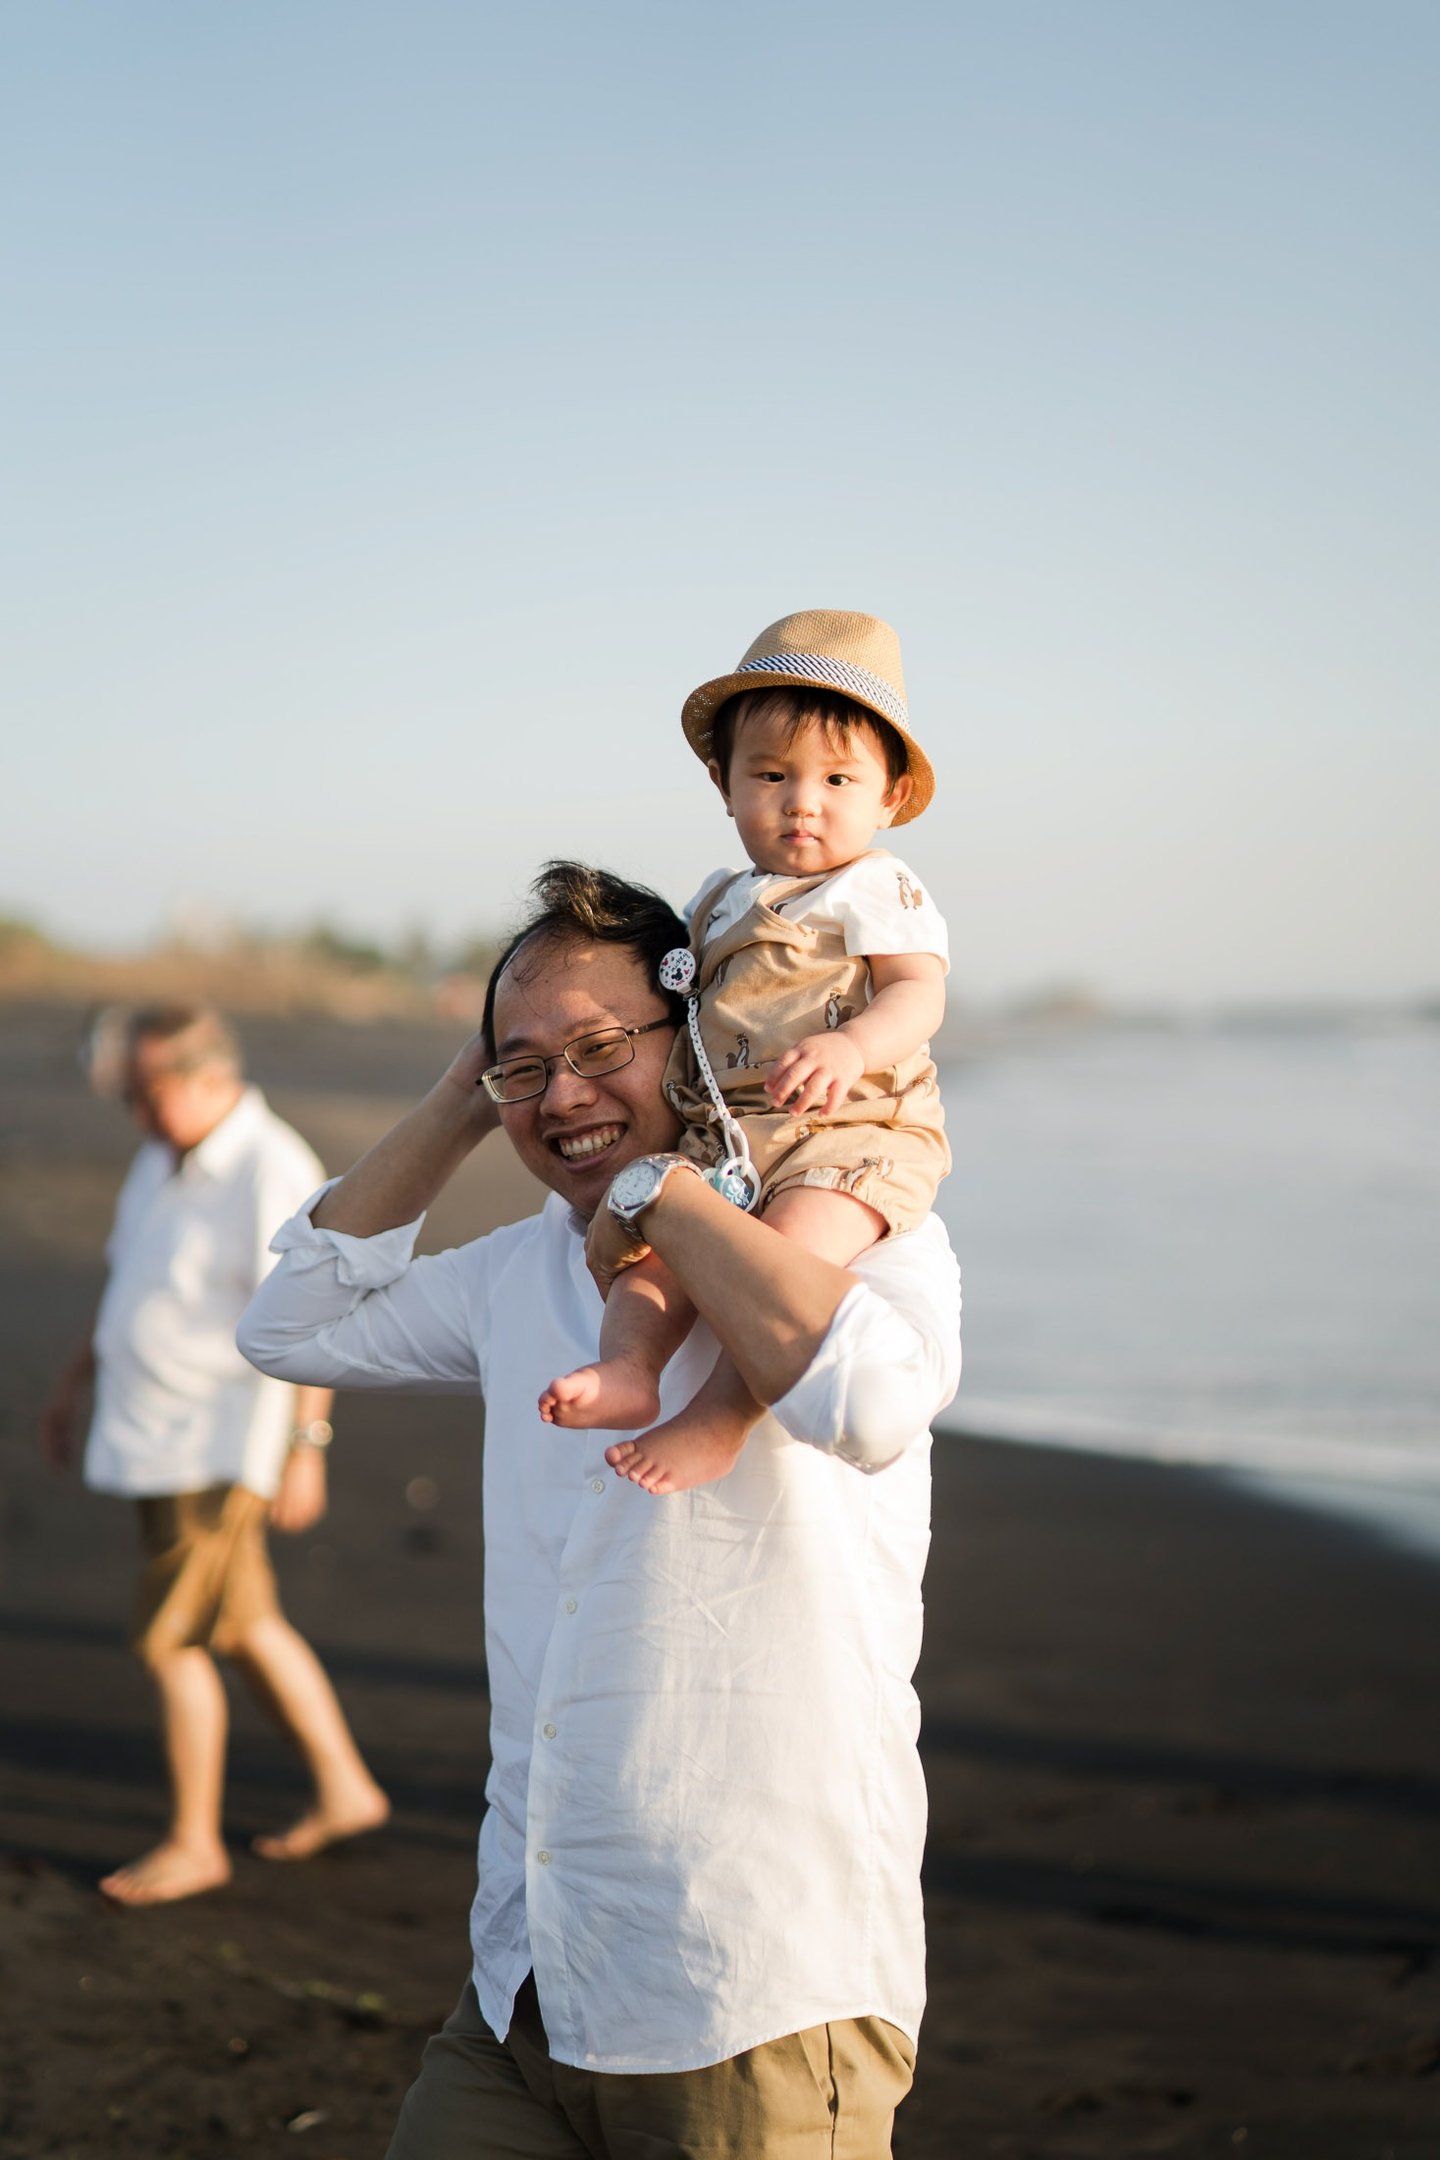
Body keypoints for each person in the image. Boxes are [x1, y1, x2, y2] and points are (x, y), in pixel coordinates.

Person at [238, 858, 961, 2159]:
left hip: (749, 1996)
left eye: (601, 1048)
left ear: (696, 1042)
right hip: (524, 1977)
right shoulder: (515, 1273)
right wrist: (470, 1096)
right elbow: (289, 1325)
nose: (564, 1094)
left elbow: (871, 1405)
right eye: (525, 1063)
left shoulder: (863, 1230)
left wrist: (663, 1193)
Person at [539, 610, 951, 1496]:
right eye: (771, 775)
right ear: (725, 787)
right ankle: (631, 1368)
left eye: (838, 779)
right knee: (652, 1267)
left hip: (849, 1131)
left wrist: (850, 1043)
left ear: (888, 798)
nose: (803, 801)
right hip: (726, 1134)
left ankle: (720, 1420)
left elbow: (920, 993)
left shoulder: (875, 886)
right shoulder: (719, 898)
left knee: (782, 1260)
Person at [40, 1004, 388, 1906]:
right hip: (149, 1429)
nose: (136, 1112)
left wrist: (307, 1445)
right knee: (242, 1625)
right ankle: (346, 1787)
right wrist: (73, 1383)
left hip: (219, 1443)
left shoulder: (270, 1166)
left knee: (172, 1641)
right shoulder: (164, 1157)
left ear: (205, 1077)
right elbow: (131, 1281)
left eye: (147, 1092)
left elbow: (316, 1310)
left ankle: (195, 1840)